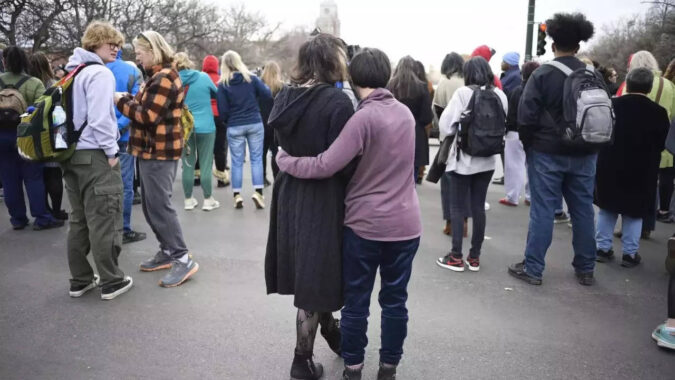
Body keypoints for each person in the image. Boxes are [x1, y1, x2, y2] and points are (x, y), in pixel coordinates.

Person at [276, 47, 422, 380]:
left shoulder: (362, 118)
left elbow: (326, 164)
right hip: (406, 225)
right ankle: (388, 368)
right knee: (395, 301)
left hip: (366, 226)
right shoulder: (405, 114)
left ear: (353, 77)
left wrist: (285, 161)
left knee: (357, 302)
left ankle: (353, 369)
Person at [264, 33, 352, 380]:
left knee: (310, 273)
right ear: (334, 61)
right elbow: (345, 163)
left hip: (289, 192)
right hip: (323, 194)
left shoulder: (285, 96)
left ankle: (332, 332)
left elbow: (278, 148)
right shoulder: (337, 103)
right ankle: (302, 360)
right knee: (317, 275)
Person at [508, 12, 599, 286]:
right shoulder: (592, 75)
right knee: (582, 210)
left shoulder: (543, 74)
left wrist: (531, 146)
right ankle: (586, 268)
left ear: (551, 45)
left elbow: (526, 117)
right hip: (584, 153)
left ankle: (533, 268)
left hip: (547, 152)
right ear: (579, 46)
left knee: (543, 210)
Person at [116, 30, 199, 288]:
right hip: (150, 150)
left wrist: (120, 101)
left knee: (160, 206)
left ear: (153, 51)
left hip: (159, 152)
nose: (138, 59)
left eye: (140, 54)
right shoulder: (156, 76)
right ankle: (167, 250)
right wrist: (129, 99)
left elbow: (147, 116)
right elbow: (146, 106)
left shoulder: (163, 77)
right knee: (152, 207)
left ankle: (182, 257)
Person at [62, 21, 132, 300]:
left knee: (79, 220)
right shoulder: (100, 74)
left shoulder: (71, 72)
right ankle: (111, 280)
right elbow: (101, 119)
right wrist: (112, 152)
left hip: (71, 155)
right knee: (104, 218)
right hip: (96, 156)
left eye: (117, 44)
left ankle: (80, 279)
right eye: (109, 43)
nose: (115, 48)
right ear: (94, 44)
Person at [435, 57, 508, 272]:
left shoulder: (463, 93)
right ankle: (474, 257)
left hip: (463, 160)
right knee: (479, 207)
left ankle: (456, 256)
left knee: (457, 207)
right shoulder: (500, 95)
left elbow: (446, 124)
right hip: (488, 161)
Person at [595, 68, 669, 268]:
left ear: (627, 83)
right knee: (634, 212)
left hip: (610, 164)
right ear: (649, 87)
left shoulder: (612, 104)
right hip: (642, 169)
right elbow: (661, 144)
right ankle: (629, 253)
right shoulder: (659, 113)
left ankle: (602, 248)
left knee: (607, 209)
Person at [0, 47, 63, 231]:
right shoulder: (34, 83)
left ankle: (18, 219)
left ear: (5, 61)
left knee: (9, 179)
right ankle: (41, 217)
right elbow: (43, 109)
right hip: (26, 135)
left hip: (2, 136)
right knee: (33, 178)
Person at [619, 51, 675, 232]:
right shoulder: (668, 85)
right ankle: (647, 224)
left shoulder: (631, 84)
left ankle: (631, 224)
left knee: (633, 185)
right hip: (662, 140)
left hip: (634, 143)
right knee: (653, 184)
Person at [216, 50, 272, 209]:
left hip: (234, 125)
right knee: (256, 159)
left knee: (236, 162)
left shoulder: (223, 84)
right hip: (254, 122)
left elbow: (222, 110)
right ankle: (258, 193)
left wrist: (228, 121)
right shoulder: (252, 79)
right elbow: (267, 94)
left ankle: (237, 195)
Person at [106, 47, 146, 244]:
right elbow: (138, 104)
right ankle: (123, 228)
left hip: (95, 138)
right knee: (125, 184)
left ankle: (103, 228)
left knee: (100, 184)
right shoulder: (132, 71)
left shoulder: (88, 69)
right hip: (123, 137)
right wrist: (119, 127)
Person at [175, 52, 220, 211]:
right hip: (206, 127)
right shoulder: (203, 77)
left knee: (188, 164)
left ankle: (188, 200)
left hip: (185, 128)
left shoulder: (174, 81)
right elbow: (217, 93)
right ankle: (208, 200)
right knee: (206, 163)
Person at [28, 51, 68, 221]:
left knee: (38, 177)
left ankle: (44, 210)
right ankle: (57, 210)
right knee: (54, 174)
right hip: (52, 134)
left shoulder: (29, 83)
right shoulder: (53, 84)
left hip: (32, 136)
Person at [434, 53, 466, 237]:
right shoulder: (467, 81)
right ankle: (464, 222)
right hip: (467, 140)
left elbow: (436, 109)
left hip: (447, 140)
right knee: (465, 184)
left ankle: (450, 223)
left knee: (447, 184)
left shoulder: (444, 82)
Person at [499, 61, 540, 207]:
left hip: (515, 131)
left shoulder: (517, 91)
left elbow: (510, 113)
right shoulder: (540, 91)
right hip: (535, 133)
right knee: (532, 166)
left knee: (514, 165)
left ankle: (512, 196)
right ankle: (530, 196)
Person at [387, 56, 433, 184]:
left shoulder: (389, 87)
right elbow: (426, 117)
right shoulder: (422, 87)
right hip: (415, 135)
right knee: (411, 179)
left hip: (393, 135)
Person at [202, 54, 230, 188]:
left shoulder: (199, 79)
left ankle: (199, 177)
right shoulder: (222, 80)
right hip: (219, 117)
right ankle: (221, 178)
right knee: (220, 148)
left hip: (204, 116)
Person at [260, 61, 285, 182]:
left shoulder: (259, 86)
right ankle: (277, 178)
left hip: (261, 122)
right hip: (276, 123)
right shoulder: (281, 87)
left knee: (262, 153)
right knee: (276, 152)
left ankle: (262, 178)